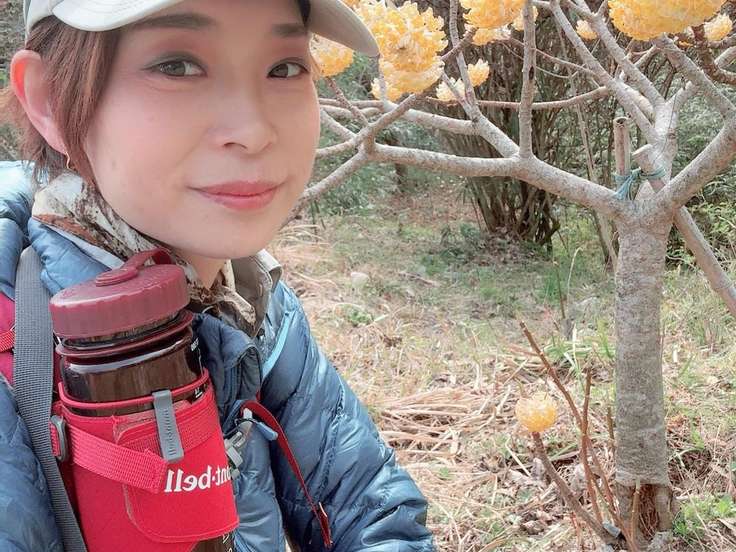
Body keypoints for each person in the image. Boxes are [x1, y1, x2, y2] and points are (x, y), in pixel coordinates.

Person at [0, 0, 434, 550]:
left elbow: (368, 504)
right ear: (50, 100)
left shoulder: (249, 298)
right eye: (177, 66)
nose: (253, 131)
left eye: (284, 67)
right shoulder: (17, 340)